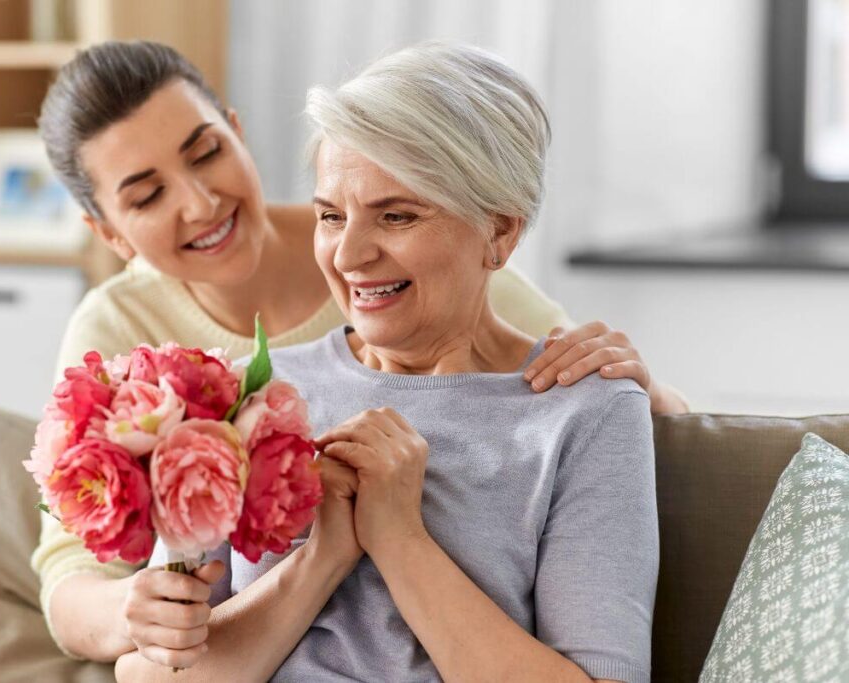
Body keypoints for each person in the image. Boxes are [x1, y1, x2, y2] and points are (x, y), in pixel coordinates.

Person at [33, 40, 680, 669]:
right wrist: (321, 554)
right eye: (330, 215)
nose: (346, 256)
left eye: (396, 216)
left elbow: (567, 376)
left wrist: (399, 538)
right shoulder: (235, 394)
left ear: (501, 231)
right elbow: (143, 657)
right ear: (109, 232)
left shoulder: (579, 407)